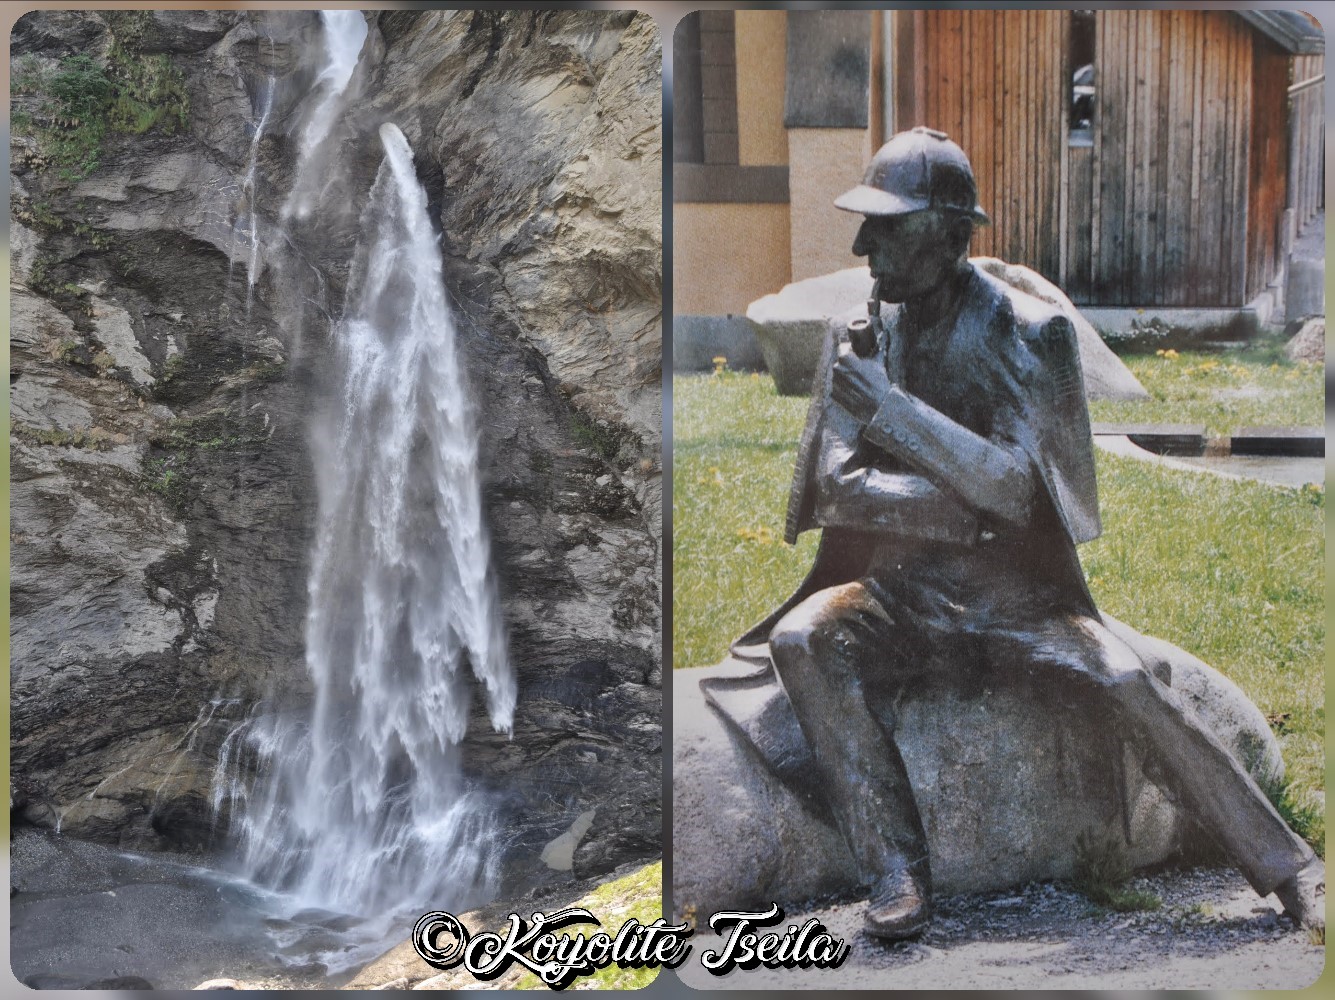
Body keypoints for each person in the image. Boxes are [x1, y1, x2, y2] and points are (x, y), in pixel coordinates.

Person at [703, 127, 1324, 941]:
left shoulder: (1029, 333)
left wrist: (892, 415)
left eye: (887, 226)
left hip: (1019, 598)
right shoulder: (858, 332)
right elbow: (834, 489)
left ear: (954, 234)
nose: (863, 245)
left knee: (1124, 682)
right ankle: (894, 871)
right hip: (900, 591)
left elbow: (1020, 494)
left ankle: (1291, 871)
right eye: (865, 224)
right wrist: (957, 500)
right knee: (804, 640)